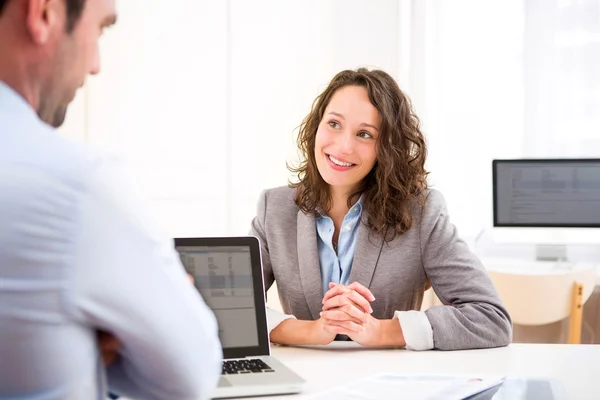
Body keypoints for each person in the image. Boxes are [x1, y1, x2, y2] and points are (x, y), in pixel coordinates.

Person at [0, 0, 221, 399]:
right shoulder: (78, 187)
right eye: (99, 29)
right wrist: (96, 347)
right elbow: (190, 379)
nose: (96, 64)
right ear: (44, 13)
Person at [250, 68, 512, 350]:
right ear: (316, 125)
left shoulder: (421, 212)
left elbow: (490, 318)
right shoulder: (274, 209)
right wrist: (311, 331)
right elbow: (232, 313)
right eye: (334, 124)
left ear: (387, 148)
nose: (343, 146)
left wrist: (382, 331)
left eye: (364, 134)